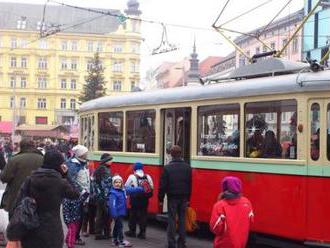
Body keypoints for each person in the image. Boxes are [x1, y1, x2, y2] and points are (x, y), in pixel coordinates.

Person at [7, 150, 80, 248]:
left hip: (31, 229)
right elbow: (76, 194)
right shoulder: (60, 182)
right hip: (53, 231)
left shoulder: (30, 180)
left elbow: (17, 204)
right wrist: (66, 175)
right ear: (59, 165)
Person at [158, 145, 192, 248]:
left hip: (172, 197)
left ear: (171, 155)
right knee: (182, 220)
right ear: (180, 154)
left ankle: (171, 243)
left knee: (172, 220)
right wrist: (188, 198)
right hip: (184, 197)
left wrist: (160, 198)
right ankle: (182, 243)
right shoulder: (187, 167)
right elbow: (190, 184)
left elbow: (163, 185)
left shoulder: (167, 168)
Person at [0, 139, 43, 219]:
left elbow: (4, 178)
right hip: (37, 198)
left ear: (21, 147)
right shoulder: (42, 159)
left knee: (15, 224)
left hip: (16, 198)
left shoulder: (15, 159)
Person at [209, 176, 254, 248]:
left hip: (223, 243)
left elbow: (215, 228)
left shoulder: (219, 205)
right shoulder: (247, 202)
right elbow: (251, 221)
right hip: (241, 242)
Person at [62, 145, 90, 248]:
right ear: (81, 154)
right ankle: (73, 239)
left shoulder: (82, 163)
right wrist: (81, 191)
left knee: (79, 218)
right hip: (76, 196)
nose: (87, 155)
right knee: (76, 220)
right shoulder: (74, 165)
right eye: (85, 153)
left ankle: (72, 237)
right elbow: (72, 181)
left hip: (81, 195)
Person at [108, 175, 143, 247]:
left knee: (117, 227)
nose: (118, 184)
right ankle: (121, 241)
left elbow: (132, 190)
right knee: (120, 227)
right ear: (113, 183)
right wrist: (114, 214)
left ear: (122, 183)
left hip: (120, 213)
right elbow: (113, 205)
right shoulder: (113, 193)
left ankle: (115, 240)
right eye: (116, 182)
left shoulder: (123, 190)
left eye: (119, 182)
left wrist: (141, 188)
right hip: (117, 214)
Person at [125, 162, 154, 239]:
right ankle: (142, 232)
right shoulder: (148, 176)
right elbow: (151, 187)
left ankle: (132, 231)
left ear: (134, 168)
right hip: (145, 199)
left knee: (133, 214)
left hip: (135, 198)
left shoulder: (132, 176)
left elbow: (126, 186)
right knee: (143, 215)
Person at [93, 153, 113, 240]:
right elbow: (106, 184)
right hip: (104, 196)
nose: (112, 161)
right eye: (110, 160)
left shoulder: (99, 168)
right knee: (105, 215)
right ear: (106, 161)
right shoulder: (104, 169)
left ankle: (99, 232)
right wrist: (107, 195)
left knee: (100, 214)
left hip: (99, 195)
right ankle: (105, 233)